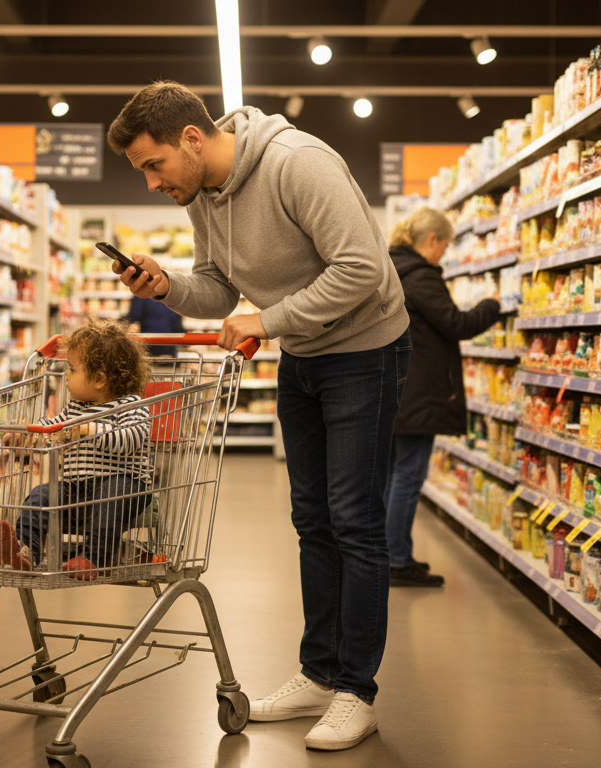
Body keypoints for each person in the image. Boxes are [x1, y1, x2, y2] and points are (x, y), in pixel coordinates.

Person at [106, 81, 409, 752]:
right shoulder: (201, 195)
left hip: (366, 349)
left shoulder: (297, 163)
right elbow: (218, 290)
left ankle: (357, 691)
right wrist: (167, 287)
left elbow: (362, 268)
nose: (152, 182)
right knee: (313, 519)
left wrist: (267, 321)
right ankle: (320, 674)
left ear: (192, 138)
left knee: (355, 521)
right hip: (304, 352)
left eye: (154, 164)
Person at [383, 208, 501, 588]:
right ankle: (396, 560)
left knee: (392, 474)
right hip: (419, 394)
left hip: (395, 388)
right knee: (408, 476)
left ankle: (386, 555)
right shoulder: (420, 276)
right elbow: (455, 323)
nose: (444, 255)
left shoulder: (391, 268)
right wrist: (491, 305)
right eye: (445, 246)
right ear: (431, 240)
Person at [0, 319, 153, 581]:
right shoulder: (75, 408)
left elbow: (132, 438)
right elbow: (52, 428)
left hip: (124, 489)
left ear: (99, 379)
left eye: (73, 369)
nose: (67, 375)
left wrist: (91, 430)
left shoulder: (130, 405)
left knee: (109, 494)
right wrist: (27, 435)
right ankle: (25, 550)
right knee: (41, 496)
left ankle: (94, 559)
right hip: (77, 490)